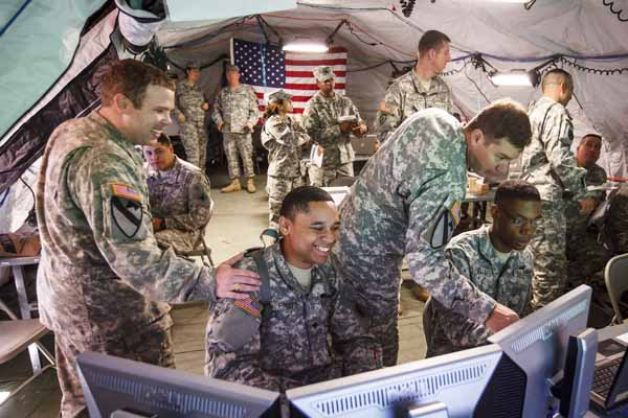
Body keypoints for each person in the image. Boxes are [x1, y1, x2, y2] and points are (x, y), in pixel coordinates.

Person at [36, 59, 260, 418]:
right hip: (113, 320)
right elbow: (137, 261)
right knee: (144, 406)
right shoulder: (104, 161)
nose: (166, 121)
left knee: (85, 403)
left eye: (169, 111)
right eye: (157, 110)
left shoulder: (73, 131)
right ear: (122, 103)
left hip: (70, 304)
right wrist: (209, 280)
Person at [334, 99, 532, 366]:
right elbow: (425, 264)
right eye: (500, 157)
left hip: (339, 238)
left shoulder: (435, 118)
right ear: (476, 136)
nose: (501, 169)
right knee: (377, 352)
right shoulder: (448, 177)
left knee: (339, 333)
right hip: (370, 263)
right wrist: (489, 310)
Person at [205, 186, 382, 391]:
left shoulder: (330, 269)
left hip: (328, 392)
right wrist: (298, 398)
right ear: (285, 226)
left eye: (334, 227)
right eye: (317, 228)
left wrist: (362, 384)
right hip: (275, 398)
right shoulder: (249, 279)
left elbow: (356, 337)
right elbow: (227, 369)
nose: (331, 238)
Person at [423, 181, 541, 357]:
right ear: (495, 213)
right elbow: (458, 331)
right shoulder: (460, 254)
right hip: (454, 360)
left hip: (499, 355)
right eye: (518, 220)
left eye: (534, 221)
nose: (527, 230)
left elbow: (521, 313)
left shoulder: (525, 257)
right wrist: (518, 335)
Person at [517, 69, 591, 309]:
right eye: (569, 94)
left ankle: (525, 320)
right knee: (550, 267)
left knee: (530, 262)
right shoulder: (555, 111)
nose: (568, 99)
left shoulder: (530, 113)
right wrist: (581, 192)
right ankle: (542, 330)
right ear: (562, 87)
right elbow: (559, 156)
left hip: (526, 197)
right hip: (545, 199)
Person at [375, 30, 453, 144]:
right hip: (407, 161)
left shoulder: (444, 89)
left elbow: (448, 130)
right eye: (446, 53)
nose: (449, 58)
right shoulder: (398, 89)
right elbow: (383, 133)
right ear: (432, 54)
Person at [144, 134, 213, 253]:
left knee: (148, 245)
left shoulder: (193, 176)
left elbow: (198, 219)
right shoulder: (145, 172)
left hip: (185, 233)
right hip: (149, 227)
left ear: (171, 149)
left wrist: (162, 223)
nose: (154, 158)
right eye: (149, 153)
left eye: (159, 152)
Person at [303, 66, 367, 187]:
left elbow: (358, 120)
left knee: (348, 193)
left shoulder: (345, 101)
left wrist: (362, 128)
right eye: (325, 81)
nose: (329, 83)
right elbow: (311, 133)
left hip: (344, 159)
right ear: (318, 82)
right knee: (322, 196)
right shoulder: (312, 105)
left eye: (331, 80)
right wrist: (339, 129)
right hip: (324, 161)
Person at [261, 90, 311, 230]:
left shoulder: (290, 120)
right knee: (278, 217)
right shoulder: (273, 122)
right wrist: (303, 137)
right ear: (279, 104)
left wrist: (303, 137)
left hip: (295, 174)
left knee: (296, 213)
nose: (291, 103)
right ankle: (275, 247)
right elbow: (290, 139)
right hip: (280, 176)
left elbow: (305, 135)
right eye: (288, 101)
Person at [564, 134, 609, 288]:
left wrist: (595, 201)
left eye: (597, 147)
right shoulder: (563, 168)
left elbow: (598, 195)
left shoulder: (599, 173)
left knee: (603, 257)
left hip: (579, 235)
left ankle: (575, 279)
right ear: (578, 148)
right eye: (589, 144)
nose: (593, 149)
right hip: (556, 234)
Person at [212, 64, 260, 193]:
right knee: (231, 157)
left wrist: (250, 123)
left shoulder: (247, 90)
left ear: (238, 75)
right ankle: (235, 182)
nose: (232, 75)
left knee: (246, 156)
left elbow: (255, 111)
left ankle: (250, 181)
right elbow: (215, 110)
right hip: (228, 131)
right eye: (229, 73)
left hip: (243, 130)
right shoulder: (223, 92)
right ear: (227, 76)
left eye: (234, 73)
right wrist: (219, 122)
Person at [175, 62, 209, 169]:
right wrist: (178, 113)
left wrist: (206, 105)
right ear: (188, 72)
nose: (197, 73)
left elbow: (205, 102)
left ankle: (201, 180)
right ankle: (194, 182)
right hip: (188, 126)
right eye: (194, 71)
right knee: (193, 155)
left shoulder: (199, 88)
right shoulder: (180, 86)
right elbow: (171, 103)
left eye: (198, 71)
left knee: (202, 154)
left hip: (201, 125)